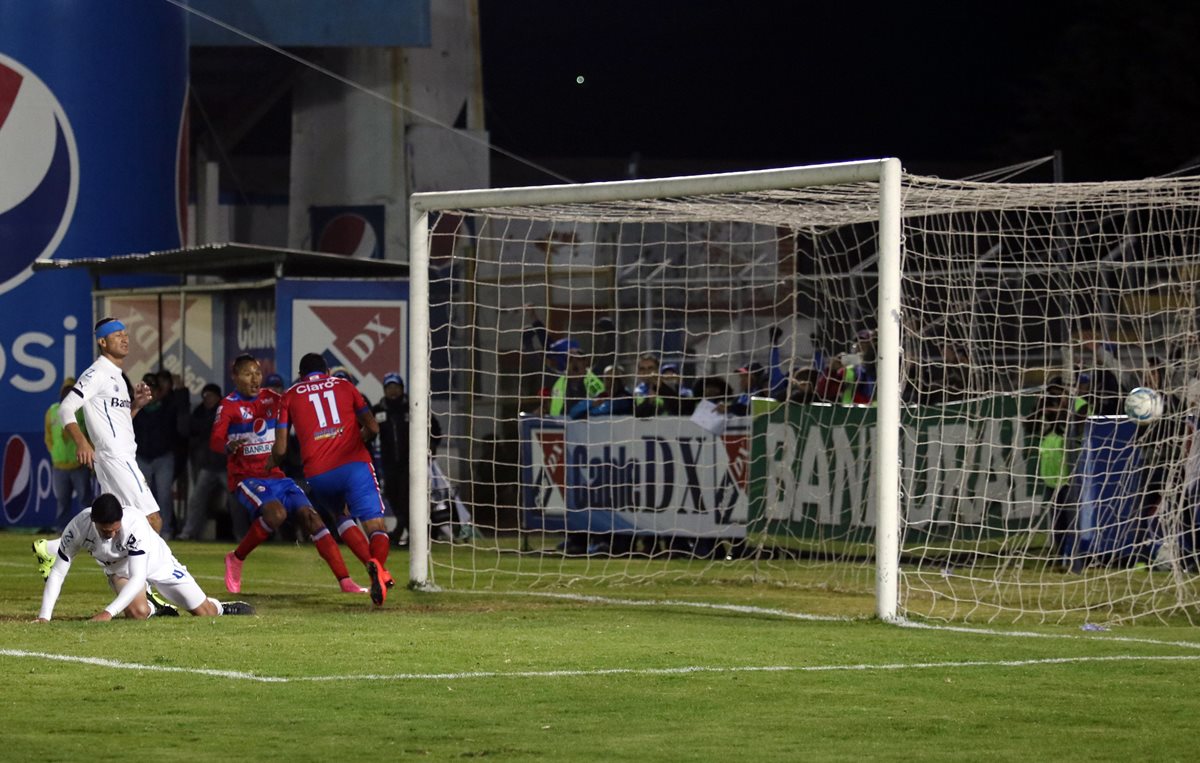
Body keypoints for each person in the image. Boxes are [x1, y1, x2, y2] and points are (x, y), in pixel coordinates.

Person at [215, 354, 366, 595]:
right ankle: (236, 558)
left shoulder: (274, 399)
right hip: (247, 478)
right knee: (276, 514)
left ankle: (345, 581)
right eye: (247, 374)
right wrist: (227, 445)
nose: (254, 379)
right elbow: (215, 439)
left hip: (277, 476)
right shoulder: (228, 405)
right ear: (235, 377)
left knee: (312, 518)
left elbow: (299, 406)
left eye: (257, 373)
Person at [33, 318, 159, 579]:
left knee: (115, 522)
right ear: (102, 342)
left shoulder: (117, 377)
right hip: (116, 457)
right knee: (152, 520)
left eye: (126, 334)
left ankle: (53, 548)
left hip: (118, 455)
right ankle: (142, 584)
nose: (124, 338)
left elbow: (117, 424)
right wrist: (82, 442)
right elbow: (66, 408)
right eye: (117, 335)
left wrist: (135, 406)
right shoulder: (97, 373)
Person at [268, 353, 394, 605]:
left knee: (341, 516)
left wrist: (268, 464)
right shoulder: (345, 385)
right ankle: (378, 568)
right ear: (326, 371)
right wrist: (357, 439)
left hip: (319, 473)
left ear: (301, 376)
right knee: (376, 527)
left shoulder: (289, 395)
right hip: (354, 465)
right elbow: (373, 427)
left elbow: (280, 449)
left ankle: (376, 572)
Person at [35, 493, 254, 622]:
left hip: (158, 563)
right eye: (105, 531)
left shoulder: (135, 524)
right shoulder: (78, 527)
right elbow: (58, 571)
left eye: (114, 530)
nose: (111, 535)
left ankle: (220, 607)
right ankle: (155, 607)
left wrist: (108, 613)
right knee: (138, 613)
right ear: (93, 521)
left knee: (204, 613)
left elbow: (138, 576)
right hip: (120, 570)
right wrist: (45, 616)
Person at [1028, 378, 1083, 569]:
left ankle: (1074, 555)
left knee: (1072, 520)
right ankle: (1060, 555)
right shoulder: (1047, 416)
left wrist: (1063, 407)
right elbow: (1029, 425)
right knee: (1057, 522)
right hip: (1051, 481)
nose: (1054, 397)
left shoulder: (1079, 405)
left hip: (1070, 479)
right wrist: (1041, 405)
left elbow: (1078, 423)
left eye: (1057, 392)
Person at [132, 371, 184, 538]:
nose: (150, 393)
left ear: (158, 391)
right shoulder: (135, 408)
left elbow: (182, 418)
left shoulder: (169, 406)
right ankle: (143, 531)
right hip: (141, 456)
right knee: (141, 496)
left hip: (163, 457)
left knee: (164, 496)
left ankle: (165, 530)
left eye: (152, 389)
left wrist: (181, 390)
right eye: (146, 389)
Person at [44, 377, 93, 533]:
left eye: (71, 390)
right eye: (65, 391)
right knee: (62, 500)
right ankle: (62, 530)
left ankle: (88, 529)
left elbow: (89, 435)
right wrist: (54, 452)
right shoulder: (52, 411)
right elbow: (48, 436)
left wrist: (89, 457)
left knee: (84, 499)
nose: (67, 394)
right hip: (59, 465)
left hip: (79, 463)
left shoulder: (82, 411)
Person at [178, 383, 227, 541]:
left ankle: (242, 534)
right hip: (208, 465)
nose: (207, 399)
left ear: (218, 397)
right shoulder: (199, 412)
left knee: (236, 501)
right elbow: (186, 429)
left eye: (210, 396)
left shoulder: (226, 410)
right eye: (205, 396)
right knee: (197, 500)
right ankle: (188, 532)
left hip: (226, 465)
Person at [374, 372, 411, 545]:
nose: (393, 391)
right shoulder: (378, 410)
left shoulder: (412, 407)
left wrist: (431, 445)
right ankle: (404, 529)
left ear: (402, 389)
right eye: (389, 387)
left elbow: (433, 427)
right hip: (388, 463)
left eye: (396, 387)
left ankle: (401, 530)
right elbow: (369, 431)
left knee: (406, 497)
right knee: (391, 494)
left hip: (408, 463)